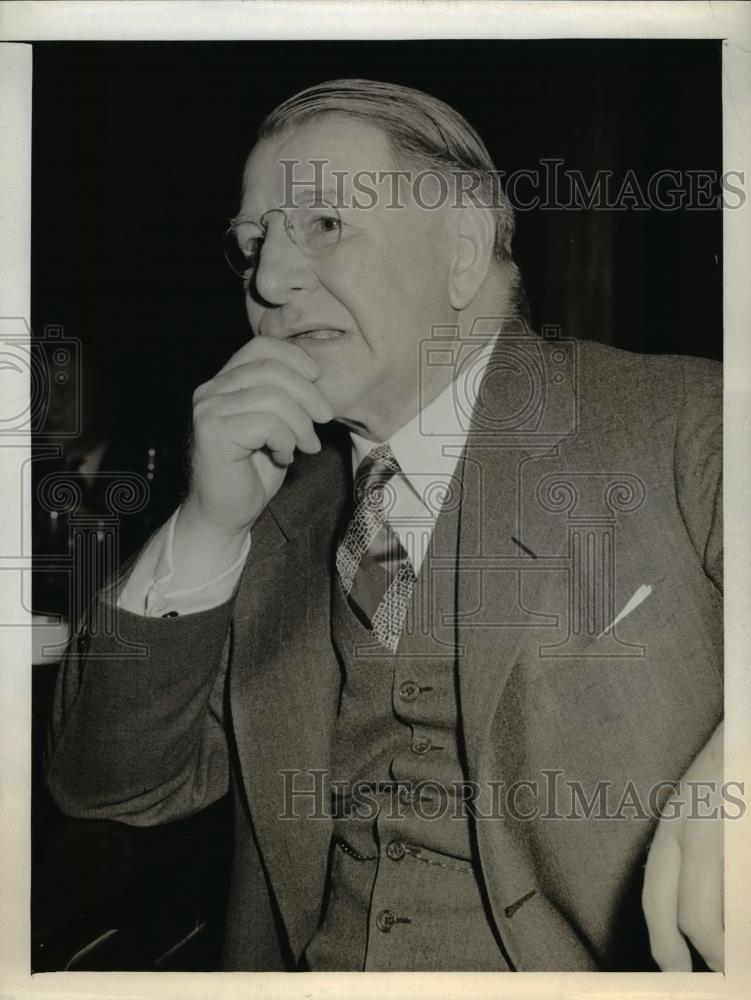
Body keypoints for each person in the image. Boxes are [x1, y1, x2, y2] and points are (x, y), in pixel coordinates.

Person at [45, 79, 723, 972]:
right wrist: (208, 529)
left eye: (323, 224)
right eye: (251, 242)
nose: (269, 277)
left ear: (461, 249)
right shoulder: (271, 517)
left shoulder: (684, 419)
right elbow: (106, 785)